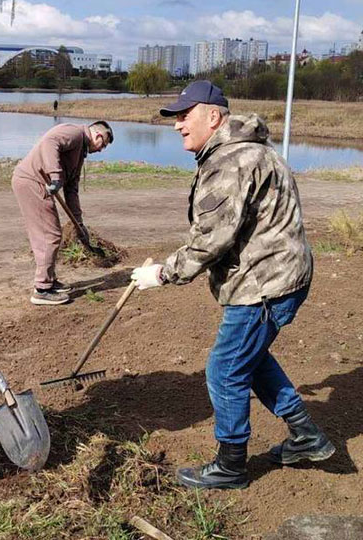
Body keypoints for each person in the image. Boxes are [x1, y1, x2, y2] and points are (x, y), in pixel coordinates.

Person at [130, 81, 335, 490]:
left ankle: (231, 465)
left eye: (184, 116)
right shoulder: (248, 151)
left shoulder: (231, 160)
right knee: (250, 359)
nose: (176, 126)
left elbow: (211, 238)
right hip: (278, 276)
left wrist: (162, 274)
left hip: (264, 284)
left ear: (213, 116)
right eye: (175, 117)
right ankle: (306, 435)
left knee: (224, 371)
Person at [12, 121, 113, 305]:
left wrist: (79, 223)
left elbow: (72, 191)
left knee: (48, 234)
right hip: (32, 181)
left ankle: (49, 280)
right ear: (98, 136)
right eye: (103, 144)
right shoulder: (75, 133)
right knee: (49, 235)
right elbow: (50, 142)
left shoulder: (79, 153)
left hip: (36, 183)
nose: (101, 150)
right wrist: (56, 175)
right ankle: (42, 289)